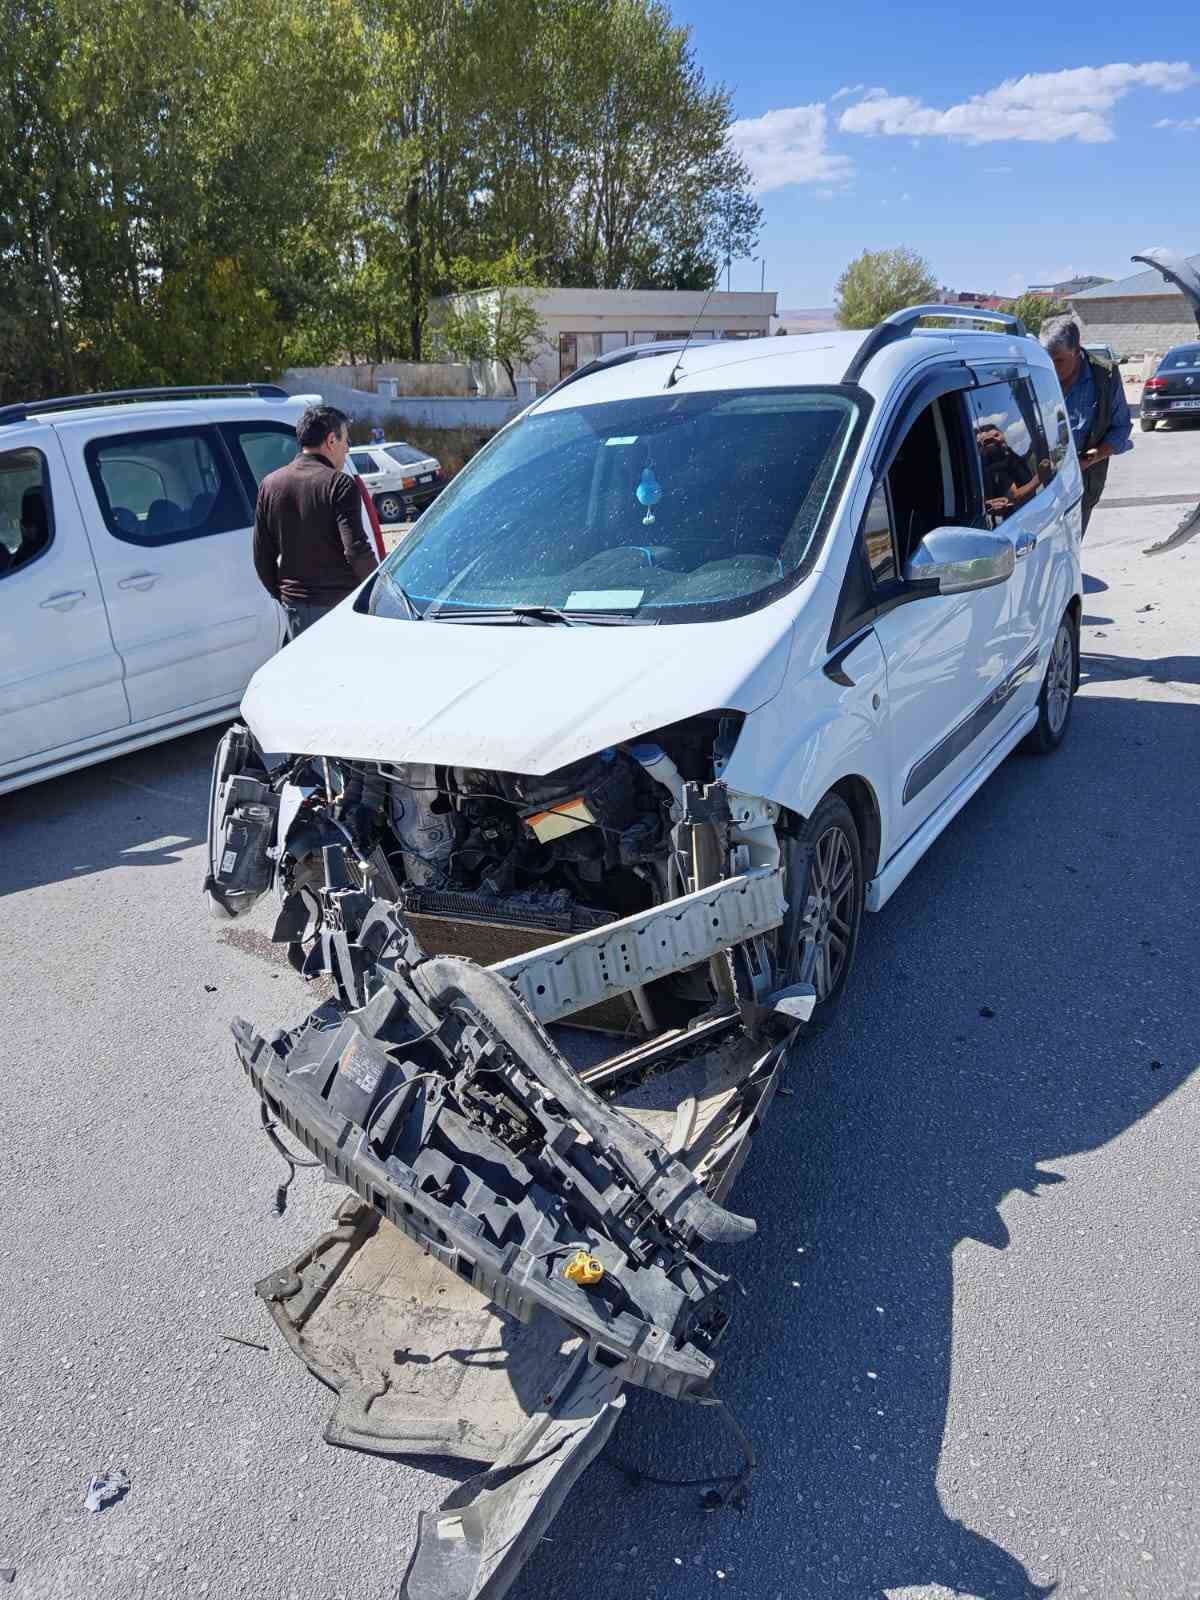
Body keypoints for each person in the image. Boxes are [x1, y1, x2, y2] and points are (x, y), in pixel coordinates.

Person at [253, 404, 378, 638]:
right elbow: (356, 550)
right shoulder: (340, 484)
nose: (347, 449)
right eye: (345, 441)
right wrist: (378, 590)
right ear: (331, 440)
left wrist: (284, 595)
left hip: (295, 610)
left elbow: (262, 556)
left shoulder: (269, 484)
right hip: (338, 607)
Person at [1040, 315, 1133, 535]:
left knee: (1069, 550)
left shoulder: (1105, 376)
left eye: (1059, 360)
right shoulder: (1035, 372)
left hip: (1082, 484)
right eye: (1047, 359)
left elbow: (1121, 428)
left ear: (1077, 350)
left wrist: (1093, 457)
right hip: (1037, 487)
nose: (1051, 367)